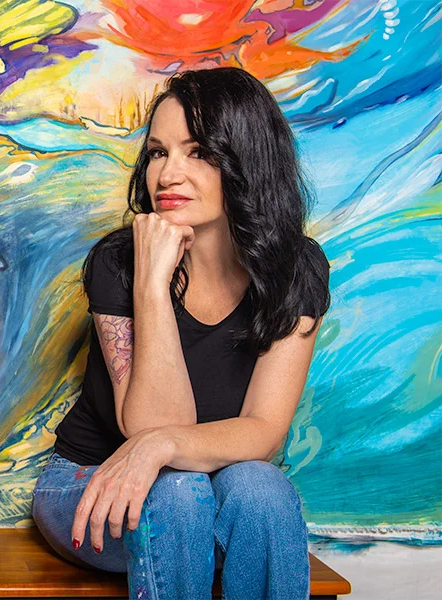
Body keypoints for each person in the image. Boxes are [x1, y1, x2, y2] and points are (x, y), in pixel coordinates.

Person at [31, 67, 331, 600]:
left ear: (247, 160)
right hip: (92, 480)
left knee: (262, 488)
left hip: (213, 484)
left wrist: (167, 444)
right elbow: (148, 425)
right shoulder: (119, 263)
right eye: (157, 152)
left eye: (198, 152)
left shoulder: (295, 269)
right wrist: (151, 281)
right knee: (177, 493)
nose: (168, 174)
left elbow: (264, 431)